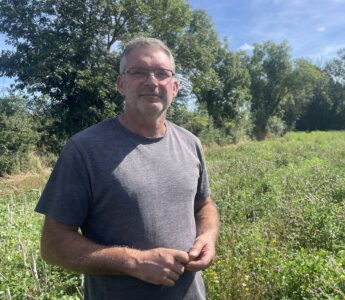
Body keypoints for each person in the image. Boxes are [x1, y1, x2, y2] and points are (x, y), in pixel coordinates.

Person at [35, 37, 220, 300]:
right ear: (121, 84)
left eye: (162, 73)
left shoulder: (191, 143)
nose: (152, 82)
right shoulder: (85, 149)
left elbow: (204, 204)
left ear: (175, 86)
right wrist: (133, 262)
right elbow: (53, 245)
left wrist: (208, 237)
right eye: (138, 72)